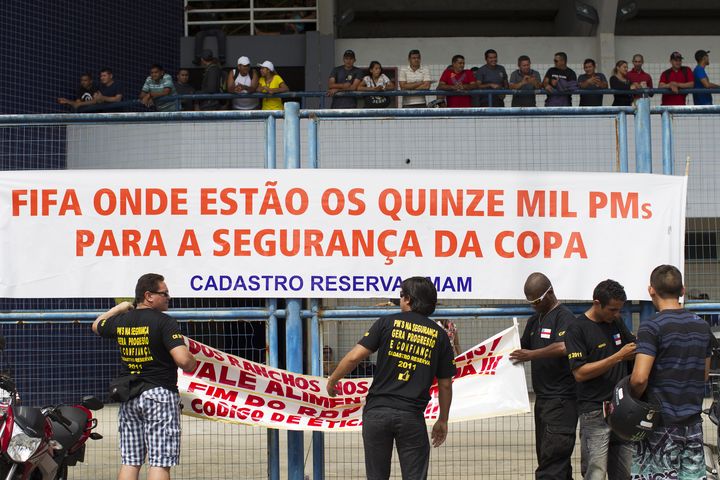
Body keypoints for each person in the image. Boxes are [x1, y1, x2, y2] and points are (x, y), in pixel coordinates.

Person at [327, 277, 455, 480]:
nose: (400, 300)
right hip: (412, 416)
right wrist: (443, 419)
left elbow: (353, 357)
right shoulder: (439, 336)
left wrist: (333, 380)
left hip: (377, 413)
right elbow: (445, 384)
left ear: (409, 300)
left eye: (401, 295)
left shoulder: (387, 323)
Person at [92, 273, 197, 480]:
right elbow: (183, 360)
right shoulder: (165, 322)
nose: (168, 297)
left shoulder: (122, 321)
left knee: (130, 461)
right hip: (159, 395)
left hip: (129, 396)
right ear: (148, 295)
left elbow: (97, 325)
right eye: (164, 293)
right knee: (160, 463)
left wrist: (121, 308)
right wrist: (192, 359)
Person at [629, 265, 712, 479]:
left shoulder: (651, 327)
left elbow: (639, 378)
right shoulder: (702, 326)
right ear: (683, 290)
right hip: (692, 425)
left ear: (651, 290)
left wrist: (633, 403)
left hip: (659, 425)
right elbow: (703, 375)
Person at [564, 279, 636, 480]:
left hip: (622, 409)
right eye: (612, 310)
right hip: (594, 411)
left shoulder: (616, 323)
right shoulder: (577, 329)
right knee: (595, 471)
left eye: (619, 310)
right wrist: (618, 357)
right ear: (597, 303)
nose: (616, 314)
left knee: (626, 472)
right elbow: (580, 373)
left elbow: (633, 347)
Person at [509, 273, 577, 480]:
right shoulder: (534, 321)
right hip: (543, 401)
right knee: (551, 459)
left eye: (537, 301)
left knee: (552, 463)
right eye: (530, 303)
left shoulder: (564, 317)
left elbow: (564, 346)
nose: (534, 306)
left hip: (561, 400)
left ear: (550, 293)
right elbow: (521, 348)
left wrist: (532, 355)